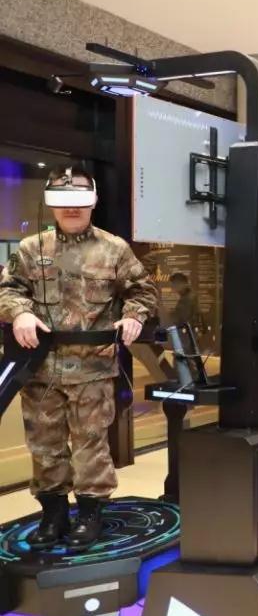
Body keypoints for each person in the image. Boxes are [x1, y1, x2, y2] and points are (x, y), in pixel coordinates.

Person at [0, 166, 158, 551]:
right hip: (40, 368)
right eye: (63, 200)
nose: (71, 208)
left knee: (91, 445)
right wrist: (19, 313)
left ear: (93, 201)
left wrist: (134, 316)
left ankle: (89, 514)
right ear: (51, 203)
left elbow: (143, 291)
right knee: (44, 446)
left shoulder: (114, 249)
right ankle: (53, 513)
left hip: (93, 368)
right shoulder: (31, 249)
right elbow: (9, 290)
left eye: (80, 200)